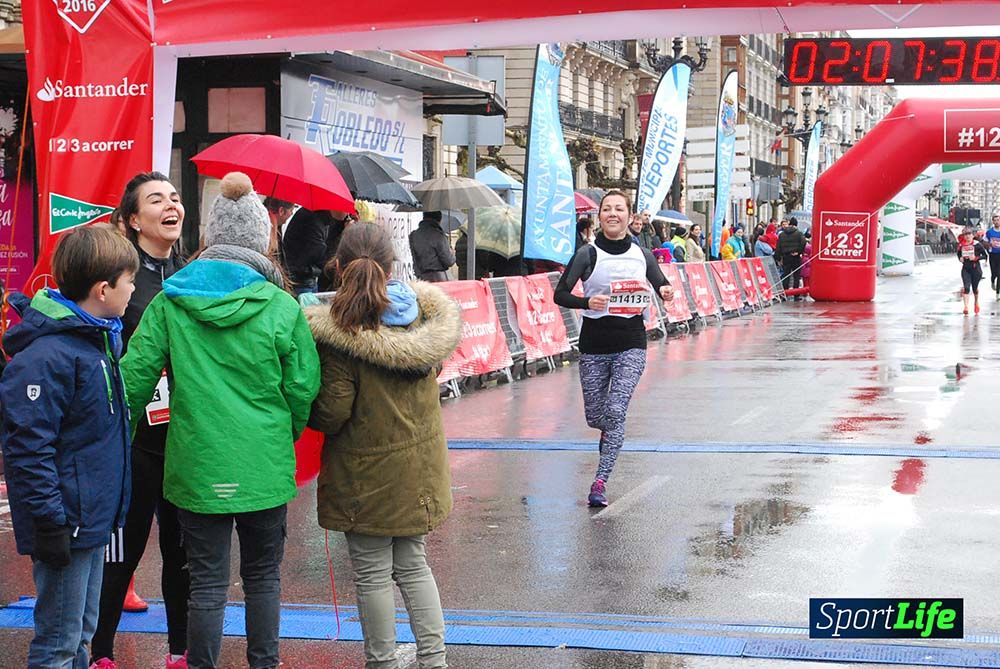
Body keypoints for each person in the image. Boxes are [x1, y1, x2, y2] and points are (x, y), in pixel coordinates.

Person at [122, 172, 321, 669]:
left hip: (196, 461)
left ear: (211, 237)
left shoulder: (171, 300)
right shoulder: (280, 305)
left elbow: (133, 379)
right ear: (262, 238)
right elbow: (302, 388)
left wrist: (118, 440)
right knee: (262, 578)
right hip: (263, 463)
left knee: (206, 584)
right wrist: (283, 433)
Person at [306, 223, 461, 669]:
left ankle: (382, 662)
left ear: (337, 267)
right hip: (419, 470)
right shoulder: (424, 320)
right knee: (414, 564)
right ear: (394, 265)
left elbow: (333, 413)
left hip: (364, 476)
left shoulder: (341, 333)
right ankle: (435, 660)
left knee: (372, 573)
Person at [1, 224, 138, 669]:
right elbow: (28, 448)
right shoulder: (49, 356)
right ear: (103, 289)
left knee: (79, 635)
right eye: (129, 281)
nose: (133, 289)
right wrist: (50, 522)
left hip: (87, 518)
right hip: (67, 521)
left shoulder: (95, 342)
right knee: (59, 643)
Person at [92, 173, 190, 669]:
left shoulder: (191, 274)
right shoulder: (124, 281)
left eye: (175, 197)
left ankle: (180, 650)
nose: (171, 205)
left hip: (186, 438)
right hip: (134, 439)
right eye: (157, 200)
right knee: (121, 554)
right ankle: (100, 652)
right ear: (133, 220)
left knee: (183, 555)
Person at [553, 191, 674, 507]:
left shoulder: (642, 254)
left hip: (631, 343)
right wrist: (585, 302)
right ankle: (610, 436)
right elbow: (560, 294)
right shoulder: (587, 254)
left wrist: (666, 290)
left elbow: (660, 283)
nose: (612, 214)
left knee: (616, 410)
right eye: (607, 209)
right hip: (594, 344)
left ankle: (600, 481)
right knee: (597, 417)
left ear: (629, 215)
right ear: (600, 216)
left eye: (619, 209)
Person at [282, 206, 343, 295]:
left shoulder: (322, 218)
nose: (347, 214)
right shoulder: (314, 220)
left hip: (305, 276)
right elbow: (321, 257)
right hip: (300, 280)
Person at [409, 211, 455, 282]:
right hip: (439, 279)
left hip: (421, 280)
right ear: (439, 220)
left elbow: (415, 260)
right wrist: (452, 253)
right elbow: (449, 261)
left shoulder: (413, 235)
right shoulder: (439, 236)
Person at [957, 226, 989, 315]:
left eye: (969, 234)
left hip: (976, 269)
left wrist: (976, 258)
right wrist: (960, 258)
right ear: (963, 236)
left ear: (972, 235)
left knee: (974, 289)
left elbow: (985, 256)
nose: (967, 236)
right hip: (966, 269)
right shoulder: (961, 245)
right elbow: (958, 254)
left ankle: (976, 302)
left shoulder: (977, 244)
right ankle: (966, 307)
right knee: (966, 287)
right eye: (965, 234)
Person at [263, 197, 295, 271]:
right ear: (281, 211)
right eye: (291, 210)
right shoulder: (268, 231)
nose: (291, 214)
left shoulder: (272, 226)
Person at [776, 217, 807, 293]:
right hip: (796, 257)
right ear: (796, 225)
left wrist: (778, 257)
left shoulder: (782, 234)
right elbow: (804, 243)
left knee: (786, 275)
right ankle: (796, 294)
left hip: (786, 257)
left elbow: (778, 247)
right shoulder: (799, 233)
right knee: (796, 276)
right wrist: (799, 252)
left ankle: (785, 293)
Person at [985, 214, 1000, 297]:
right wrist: (990, 244)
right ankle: (992, 281)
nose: (997, 222)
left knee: (999, 274)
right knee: (994, 273)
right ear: (993, 221)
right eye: (995, 220)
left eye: (998, 220)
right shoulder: (989, 232)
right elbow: (983, 241)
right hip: (993, 255)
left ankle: (998, 293)